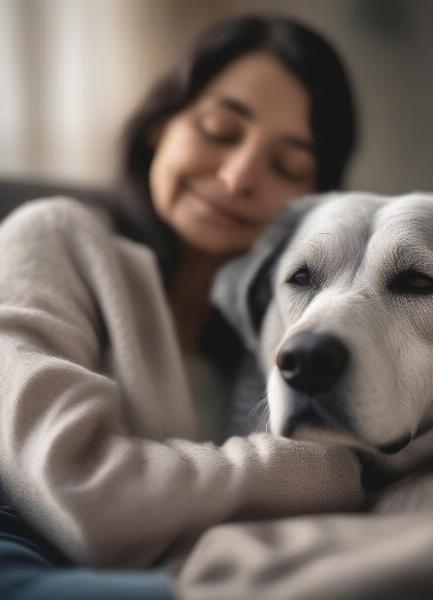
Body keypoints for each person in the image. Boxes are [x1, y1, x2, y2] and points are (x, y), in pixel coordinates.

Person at [0, 14, 361, 599]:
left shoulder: (293, 332)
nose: (239, 175)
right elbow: (84, 495)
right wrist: (327, 474)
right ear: (159, 126)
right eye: (220, 129)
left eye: (286, 166)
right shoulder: (55, 236)